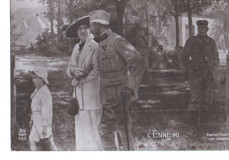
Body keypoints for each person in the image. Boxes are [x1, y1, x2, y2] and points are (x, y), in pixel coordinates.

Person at [88, 9, 145, 150]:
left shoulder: (117, 41)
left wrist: (130, 88)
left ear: (97, 26)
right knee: (123, 128)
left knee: (105, 130)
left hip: (119, 94)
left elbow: (138, 62)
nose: (90, 28)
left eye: (91, 25)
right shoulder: (99, 43)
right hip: (107, 95)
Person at [65, 16, 103, 150]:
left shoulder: (95, 46)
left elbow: (97, 70)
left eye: (85, 28)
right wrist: (72, 71)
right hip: (78, 96)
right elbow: (68, 68)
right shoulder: (76, 47)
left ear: (90, 29)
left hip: (91, 94)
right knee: (81, 130)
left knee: (94, 132)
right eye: (79, 29)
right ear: (76, 32)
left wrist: (80, 80)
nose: (82, 31)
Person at [182, 20, 219, 114]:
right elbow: (184, 57)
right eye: (199, 28)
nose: (201, 30)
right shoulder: (191, 41)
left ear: (207, 29)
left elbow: (216, 58)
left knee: (207, 98)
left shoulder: (211, 42)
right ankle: (192, 120)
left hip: (208, 73)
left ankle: (206, 120)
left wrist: (214, 70)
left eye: (203, 28)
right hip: (195, 72)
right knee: (194, 97)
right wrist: (190, 68)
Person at [28, 67, 57, 151]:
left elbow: (47, 111)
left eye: (35, 78)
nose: (33, 80)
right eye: (33, 78)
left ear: (42, 79)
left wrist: (45, 126)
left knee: (48, 140)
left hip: (42, 121)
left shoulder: (45, 93)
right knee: (32, 139)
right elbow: (34, 107)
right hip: (36, 119)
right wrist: (31, 119)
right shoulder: (37, 89)